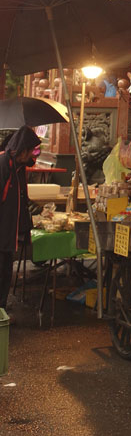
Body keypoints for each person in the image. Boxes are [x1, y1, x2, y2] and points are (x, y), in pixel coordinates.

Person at [0, 126, 41, 321]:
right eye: (31, 150)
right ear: (22, 149)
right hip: (1, 231)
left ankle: (2, 311)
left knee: (6, 273)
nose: (33, 154)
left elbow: (19, 196)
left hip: (8, 233)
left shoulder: (19, 167)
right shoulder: (3, 165)